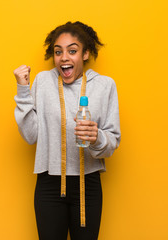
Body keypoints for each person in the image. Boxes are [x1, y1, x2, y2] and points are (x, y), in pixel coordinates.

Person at [13, 21, 121, 240]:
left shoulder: (105, 85)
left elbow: (112, 140)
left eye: (72, 51)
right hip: (49, 183)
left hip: (87, 185)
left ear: (85, 54)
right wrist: (23, 91)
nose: (64, 58)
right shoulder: (43, 82)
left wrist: (97, 137)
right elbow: (30, 136)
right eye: (58, 51)